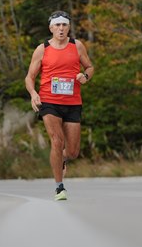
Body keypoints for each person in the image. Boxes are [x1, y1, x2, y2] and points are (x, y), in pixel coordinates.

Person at [25, 10, 94, 201]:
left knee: (72, 152)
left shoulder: (77, 46)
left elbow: (90, 67)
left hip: (73, 102)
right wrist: (33, 94)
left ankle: (61, 158)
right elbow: (30, 77)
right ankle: (59, 188)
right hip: (49, 101)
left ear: (69, 27)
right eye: (57, 25)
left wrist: (85, 76)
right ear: (51, 28)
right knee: (57, 141)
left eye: (64, 25)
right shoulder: (42, 49)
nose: (61, 28)